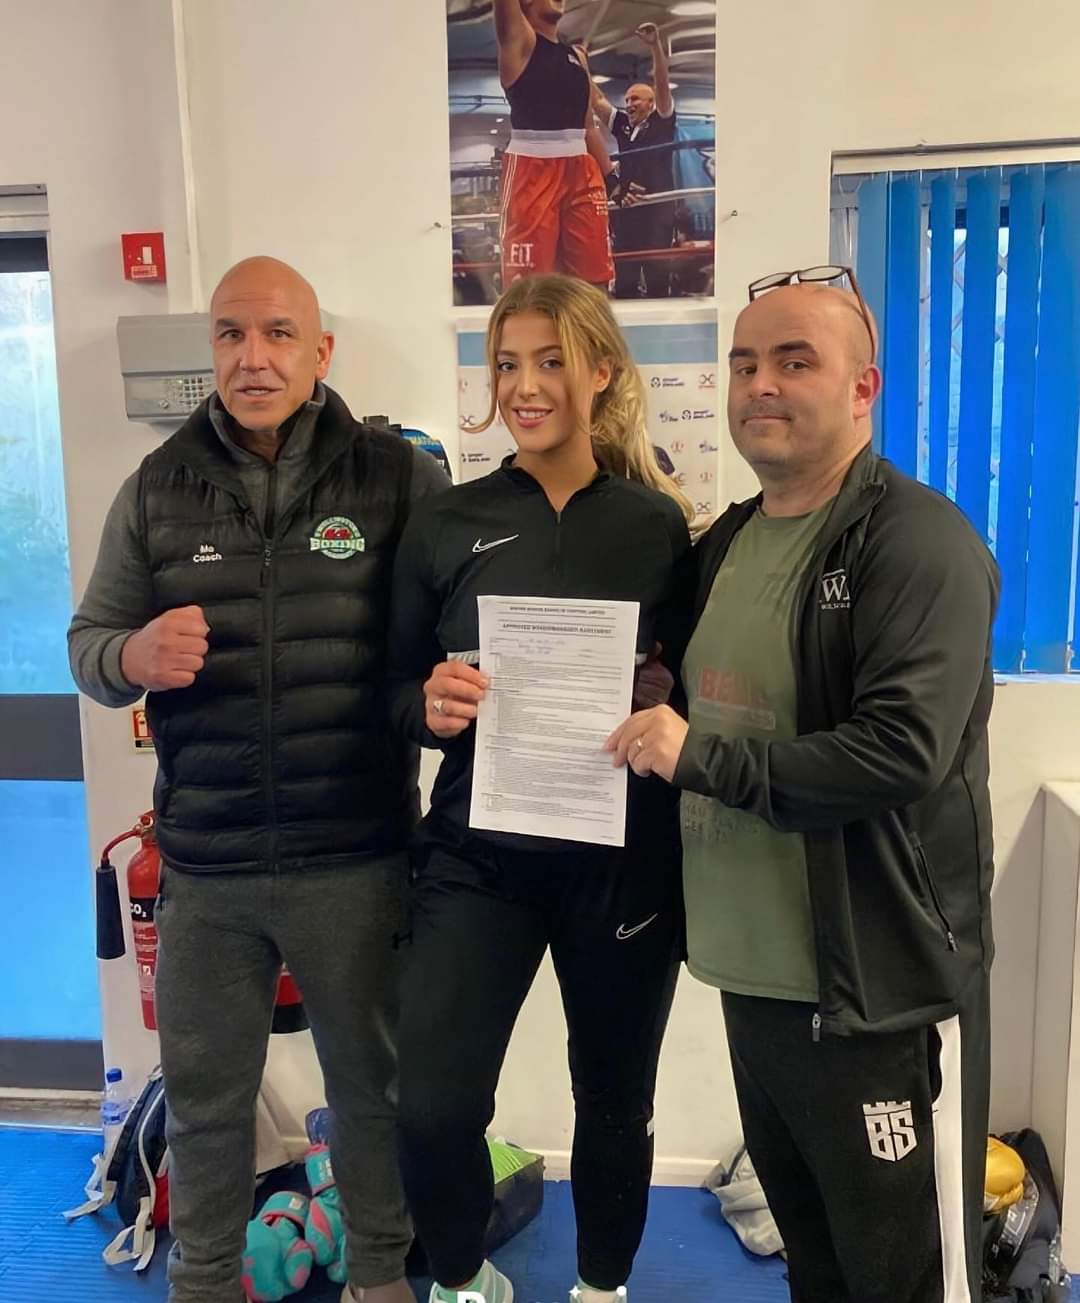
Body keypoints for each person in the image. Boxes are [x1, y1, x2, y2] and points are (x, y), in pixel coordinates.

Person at [607, 268, 998, 1303]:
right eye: (744, 364)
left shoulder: (918, 541)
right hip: (756, 979)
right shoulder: (730, 542)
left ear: (864, 388)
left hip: (876, 995)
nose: (761, 386)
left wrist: (696, 754)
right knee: (815, 1263)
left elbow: (899, 751)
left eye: (794, 361)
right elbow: (713, 701)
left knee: (905, 1277)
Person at [68, 256, 448, 1303]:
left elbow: (455, 630)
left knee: (372, 1093)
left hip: (357, 855)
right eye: (231, 334)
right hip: (209, 866)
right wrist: (132, 654)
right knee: (206, 1103)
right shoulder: (156, 487)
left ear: (321, 351)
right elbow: (89, 643)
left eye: (278, 334)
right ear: (212, 351)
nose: (253, 357)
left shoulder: (398, 479)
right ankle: (203, 1281)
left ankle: (380, 1276)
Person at [387, 274, 693, 1303]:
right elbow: (392, 687)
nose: (525, 386)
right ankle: (462, 1280)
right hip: (478, 860)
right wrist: (427, 704)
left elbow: (687, 683)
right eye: (509, 363)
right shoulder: (447, 521)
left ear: (600, 371)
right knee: (432, 1105)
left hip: (620, 861)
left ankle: (602, 1287)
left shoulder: (658, 524)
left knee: (614, 1102)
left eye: (551, 361)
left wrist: (665, 693)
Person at [493, 0, 614, 290]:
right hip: (531, 170)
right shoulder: (518, 41)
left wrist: (611, 175)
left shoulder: (577, 57)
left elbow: (587, 126)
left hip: (582, 169)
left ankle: (587, 323)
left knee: (593, 281)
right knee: (531, 287)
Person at [588, 23, 677, 299]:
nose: (629, 104)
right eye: (627, 99)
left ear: (651, 103)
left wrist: (655, 46)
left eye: (635, 99)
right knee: (624, 282)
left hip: (656, 214)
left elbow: (662, 85)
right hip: (627, 211)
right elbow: (598, 100)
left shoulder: (662, 121)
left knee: (658, 283)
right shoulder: (624, 125)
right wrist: (578, 65)